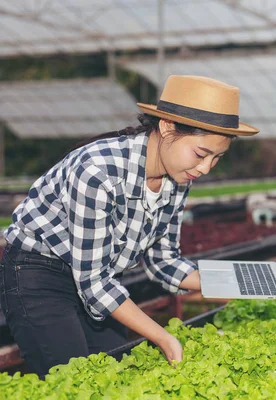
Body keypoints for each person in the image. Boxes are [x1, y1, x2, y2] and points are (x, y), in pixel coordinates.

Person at [0, 75, 259, 377]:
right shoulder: (97, 172)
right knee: (71, 379)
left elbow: (164, 262)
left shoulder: (178, 177)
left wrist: (241, 281)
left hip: (99, 278)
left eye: (217, 158)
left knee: (114, 374)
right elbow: (94, 283)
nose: (205, 168)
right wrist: (162, 336)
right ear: (167, 127)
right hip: (40, 275)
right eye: (201, 154)